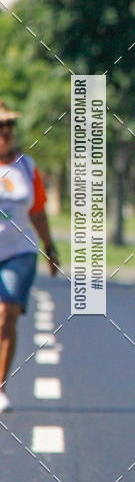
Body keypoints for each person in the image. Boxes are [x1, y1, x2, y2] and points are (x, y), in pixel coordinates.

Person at [0, 100, 59, 412]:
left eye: (9, 126)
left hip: (19, 250)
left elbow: (37, 211)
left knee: (6, 314)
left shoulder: (26, 166)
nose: (6, 132)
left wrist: (50, 248)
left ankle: (0, 387)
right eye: (0, 126)